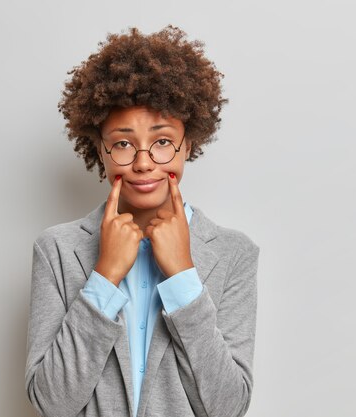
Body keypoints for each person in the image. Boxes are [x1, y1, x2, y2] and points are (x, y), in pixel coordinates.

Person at [25, 25, 260, 417]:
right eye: (122, 143)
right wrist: (104, 276)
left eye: (163, 141)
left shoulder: (235, 254)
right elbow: (52, 403)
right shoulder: (58, 250)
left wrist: (184, 275)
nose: (143, 162)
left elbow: (227, 408)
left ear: (188, 144)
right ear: (99, 149)